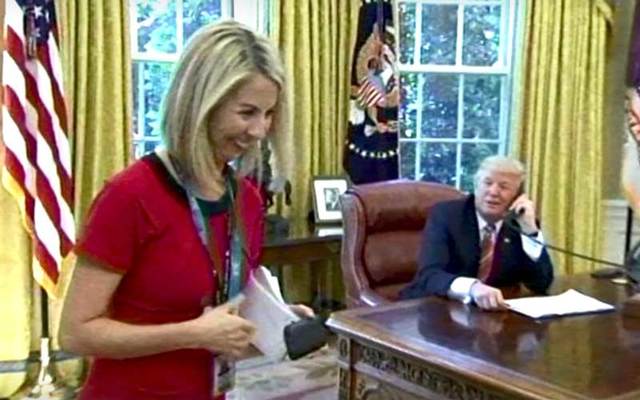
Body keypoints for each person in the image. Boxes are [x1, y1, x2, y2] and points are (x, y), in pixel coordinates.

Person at [59, 20, 312, 400]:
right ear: (200, 104)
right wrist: (191, 333)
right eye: (246, 113)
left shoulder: (248, 201)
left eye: (269, 113)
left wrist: (274, 323)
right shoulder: (130, 195)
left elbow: (220, 310)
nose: (260, 130)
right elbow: (76, 333)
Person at [399, 156, 554, 311]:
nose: (493, 192)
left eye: (504, 187)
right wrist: (472, 288)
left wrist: (530, 232)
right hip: (434, 309)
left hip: (489, 314)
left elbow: (541, 284)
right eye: (487, 183)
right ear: (475, 185)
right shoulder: (446, 215)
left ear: (518, 196)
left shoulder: (520, 223)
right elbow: (429, 275)